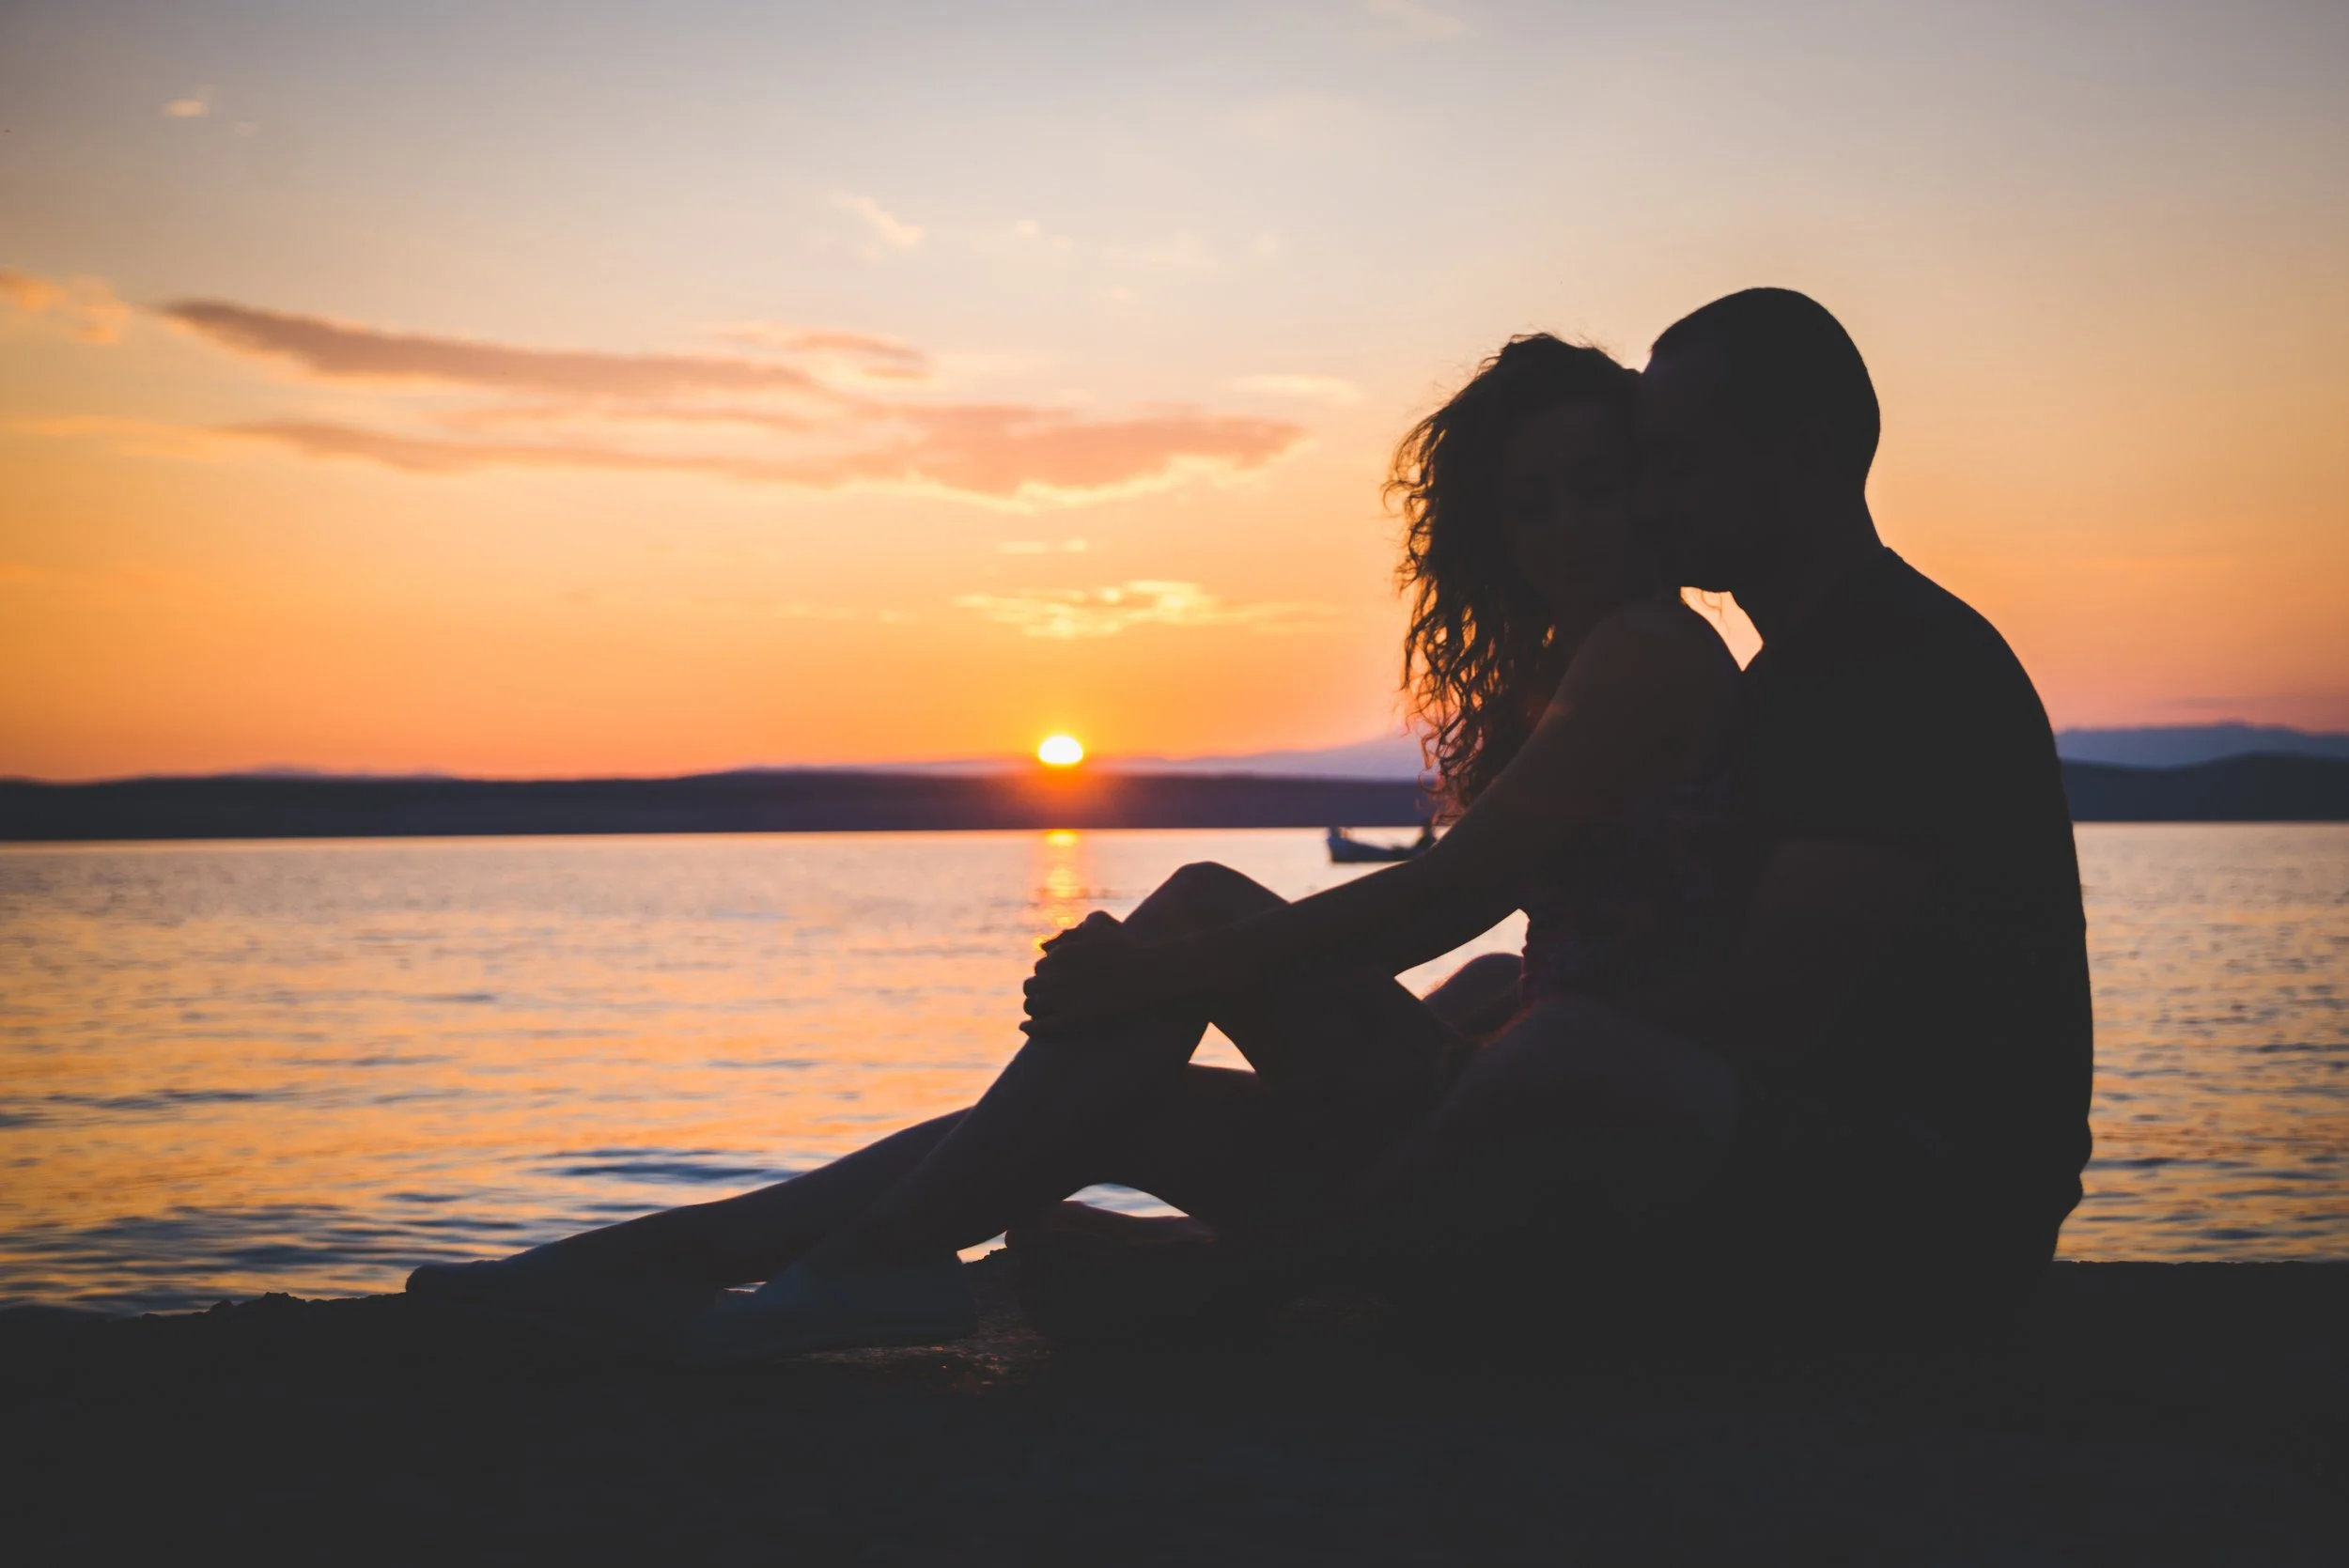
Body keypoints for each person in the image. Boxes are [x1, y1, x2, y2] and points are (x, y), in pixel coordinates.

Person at [407, 333, 1756, 1361]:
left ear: (1651, 493)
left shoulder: (1647, 652)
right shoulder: (1589, 659)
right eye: (1533, 502)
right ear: (1495, 531)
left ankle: (795, 1272)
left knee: (1195, 910)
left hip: (1555, 1163)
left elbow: (1445, 894)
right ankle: (660, 1262)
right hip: (1504, 1122)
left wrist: (1159, 978)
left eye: (1597, 488)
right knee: (1070, 1112)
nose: (1570, 525)